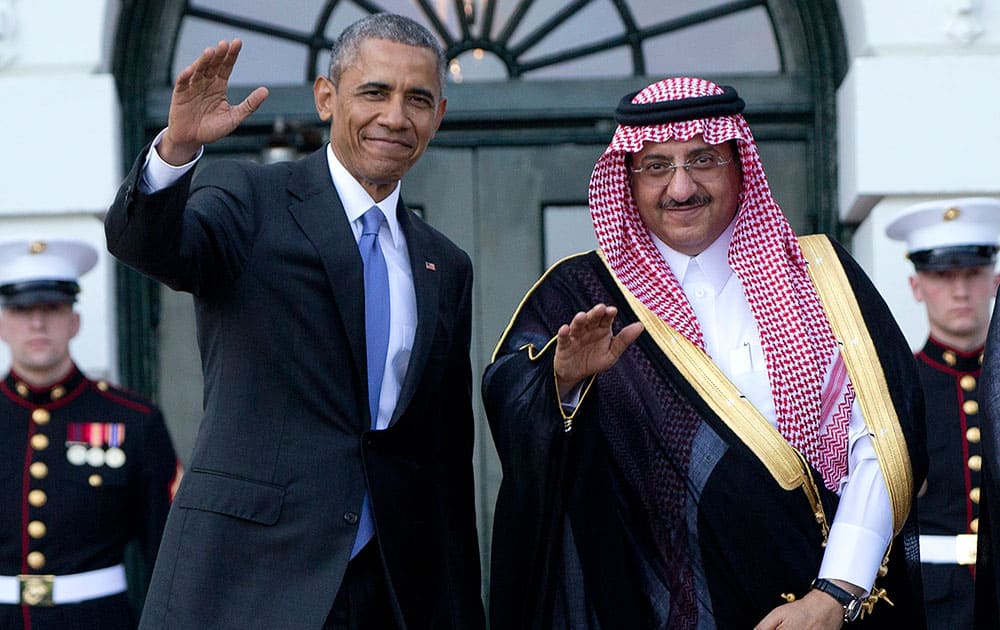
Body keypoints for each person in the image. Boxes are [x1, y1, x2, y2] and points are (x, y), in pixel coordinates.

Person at [483, 77, 928, 629]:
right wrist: (561, 383)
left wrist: (835, 593)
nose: (680, 187)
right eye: (656, 166)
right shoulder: (583, 293)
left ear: (740, 164)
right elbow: (511, 409)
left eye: (702, 159)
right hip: (663, 607)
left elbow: (881, 442)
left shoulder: (821, 275)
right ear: (625, 179)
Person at [104, 12, 484, 630]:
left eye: (417, 99)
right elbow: (151, 246)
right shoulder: (249, 199)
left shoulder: (445, 263)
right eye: (374, 92)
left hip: (389, 590)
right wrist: (176, 151)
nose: (395, 116)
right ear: (326, 97)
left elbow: (442, 461)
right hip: (246, 582)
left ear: (438, 115)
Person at [0, 238, 180, 630]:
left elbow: (170, 552)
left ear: (74, 321)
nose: (37, 323)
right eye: (21, 309)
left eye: (52, 308)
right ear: (1, 324)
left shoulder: (133, 420)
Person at [886, 198, 1000, 628]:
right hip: (930, 604)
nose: (959, 290)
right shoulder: (897, 389)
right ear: (917, 286)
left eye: (972, 273)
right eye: (941, 275)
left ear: (995, 281)